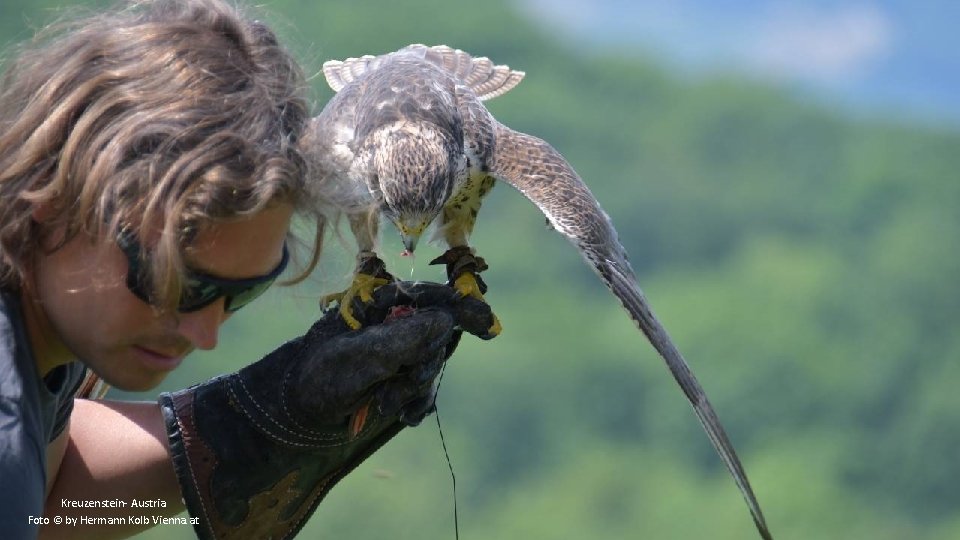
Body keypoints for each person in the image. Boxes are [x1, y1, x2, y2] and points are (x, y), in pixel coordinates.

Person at [0, 1, 495, 538]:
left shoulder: (48, 321)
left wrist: (260, 421)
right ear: (58, 197)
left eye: (241, 292)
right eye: (182, 283)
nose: (205, 334)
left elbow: (45, 512)